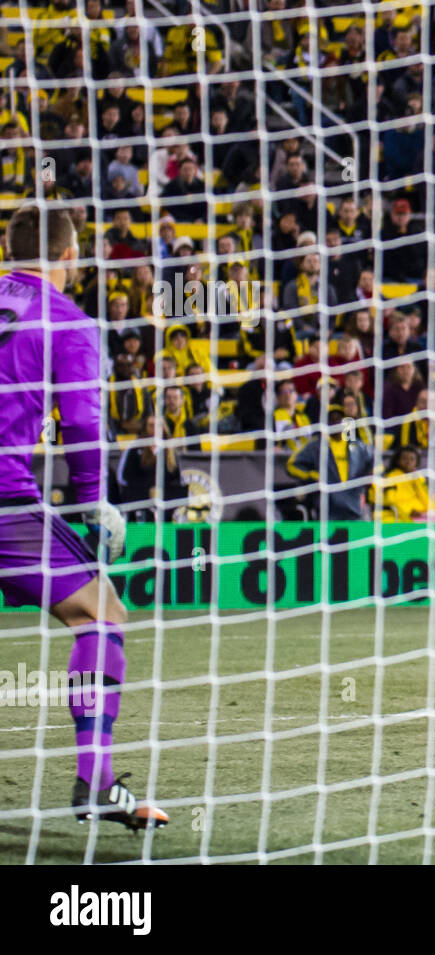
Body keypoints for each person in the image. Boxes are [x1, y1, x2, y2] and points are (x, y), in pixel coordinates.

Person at [0, 205, 166, 830]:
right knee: (103, 614)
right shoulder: (67, 320)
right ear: (71, 256)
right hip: (5, 502)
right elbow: (84, 422)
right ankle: (95, 781)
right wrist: (97, 500)